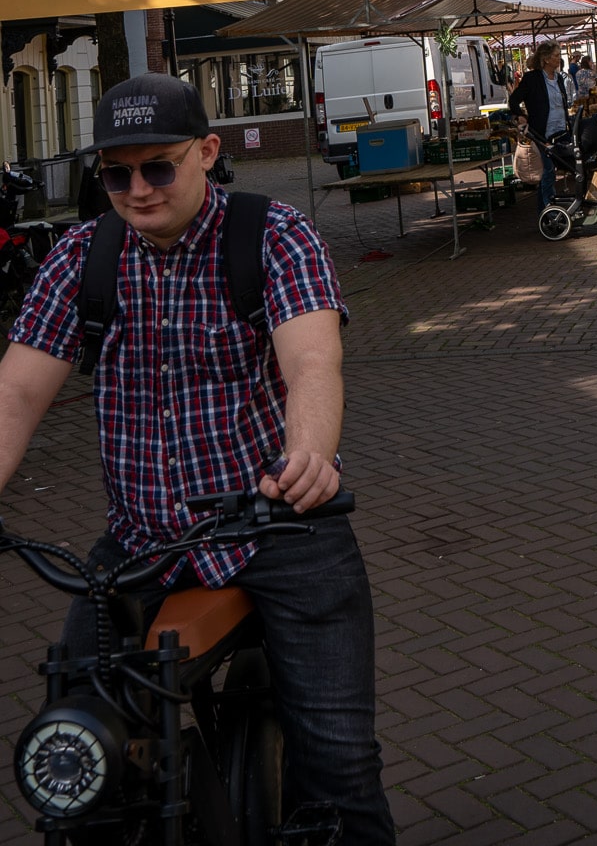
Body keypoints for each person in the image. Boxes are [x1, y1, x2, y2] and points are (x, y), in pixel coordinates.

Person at [0, 73, 394, 845]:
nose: (137, 189)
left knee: (340, 765)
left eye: (158, 167)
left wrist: (308, 455)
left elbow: (312, 362)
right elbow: (15, 392)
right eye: (117, 173)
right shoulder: (82, 256)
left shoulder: (274, 235)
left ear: (207, 153)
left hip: (280, 526)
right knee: (80, 756)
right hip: (143, 541)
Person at [507, 41, 572, 211]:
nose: (559, 59)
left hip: (561, 131)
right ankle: (547, 211)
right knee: (548, 171)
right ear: (546, 59)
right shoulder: (532, 78)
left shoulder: (559, 78)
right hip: (541, 133)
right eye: (556, 56)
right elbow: (513, 100)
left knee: (564, 167)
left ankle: (549, 208)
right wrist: (521, 116)